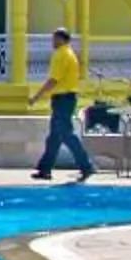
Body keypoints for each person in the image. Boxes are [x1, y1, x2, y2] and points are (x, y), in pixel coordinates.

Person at [28, 27, 96, 184]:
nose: (52, 42)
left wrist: (37, 97)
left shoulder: (61, 55)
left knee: (66, 133)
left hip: (63, 99)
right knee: (54, 137)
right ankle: (45, 169)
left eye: (54, 38)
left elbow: (53, 80)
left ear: (61, 39)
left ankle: (86, 166)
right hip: (67, 98)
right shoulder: (70, 54)